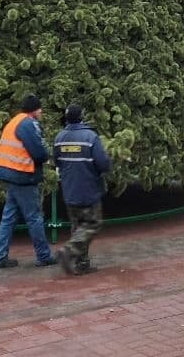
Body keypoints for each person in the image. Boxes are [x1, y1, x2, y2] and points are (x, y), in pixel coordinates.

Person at [0, 93, 56, 270]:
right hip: (22, 175)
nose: (41, 111)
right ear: (33, 110)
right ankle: (44, 255)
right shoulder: (29, 124)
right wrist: (46, 157)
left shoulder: (14, 121)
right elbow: (38, 152)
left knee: (8, 217)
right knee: (34, 217)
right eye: (39, 108)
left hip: (9, 173)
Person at [53, 102, 112, 276]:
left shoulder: (59, 138)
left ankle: (82, 263)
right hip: (89, 189)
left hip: (69, 190)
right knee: (92, 224)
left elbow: (57, 161)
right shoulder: (90, 137)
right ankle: (69, 250)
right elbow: (102, 164)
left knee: (77, 226)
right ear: (82, 117)